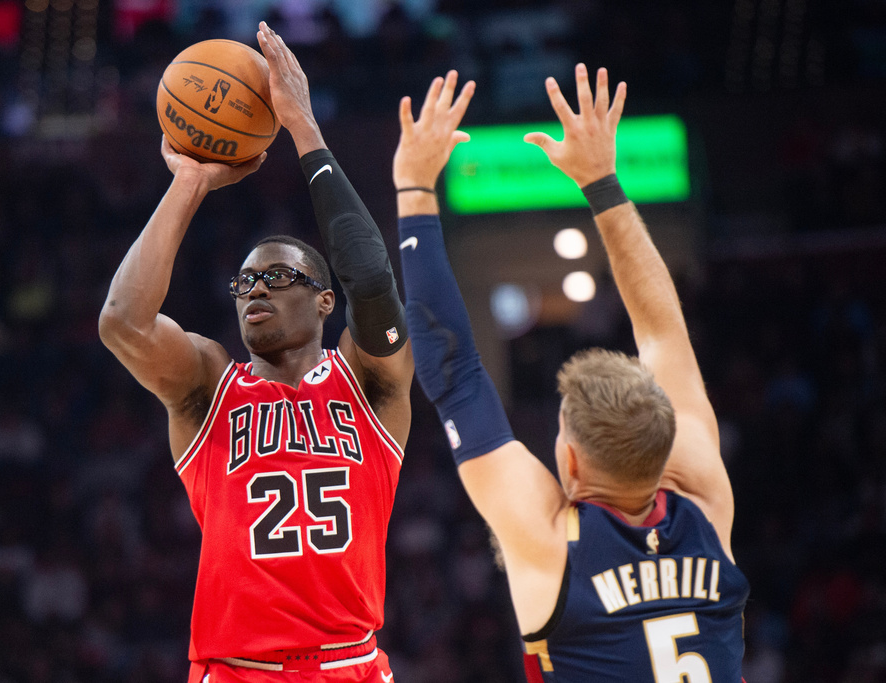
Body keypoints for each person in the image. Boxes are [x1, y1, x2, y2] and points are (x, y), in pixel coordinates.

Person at [394, 66, 750, 681]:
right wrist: (603, 185)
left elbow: (455, 376)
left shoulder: (549, 542)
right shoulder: (705, 501)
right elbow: (663, 329)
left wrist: (413, 191)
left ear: (574, 463)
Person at [99, 22, 415, 682]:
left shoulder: (371, 384)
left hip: (349, 664)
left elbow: (371, 278)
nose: (255, 289)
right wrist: (188, 183)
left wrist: (305, 130)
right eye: (244, 280)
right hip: (235, 669)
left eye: (279, 276)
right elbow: (123, 322)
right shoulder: (209, 382)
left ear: (326, 302)